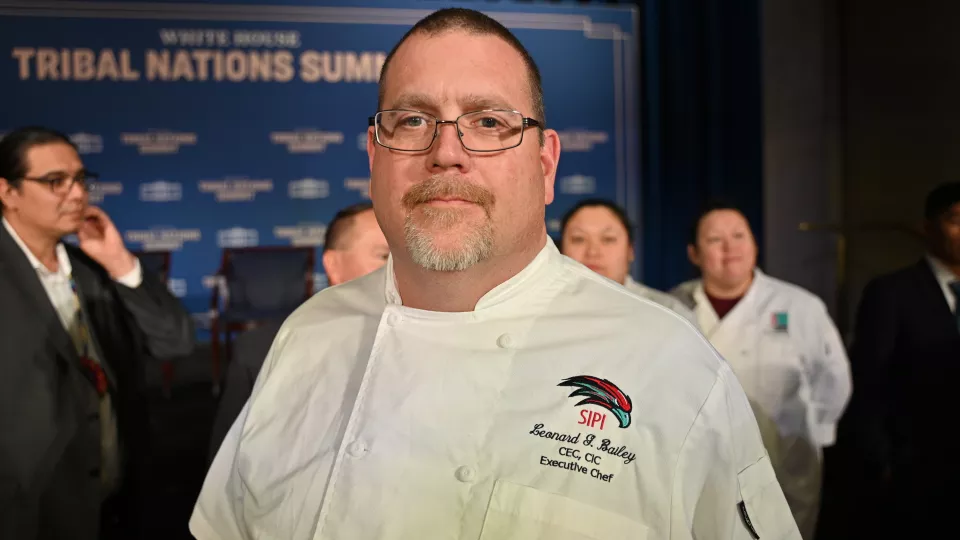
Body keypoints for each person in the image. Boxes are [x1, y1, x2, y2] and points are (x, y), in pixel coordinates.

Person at [191, 9, 799, 539]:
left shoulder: (670, 367)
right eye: (411, 121)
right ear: (374, 158)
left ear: (545, 163)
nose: (446, 151)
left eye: (488, 122)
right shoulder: (308, 335)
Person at [0, 126, 194, 540]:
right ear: (8, 192)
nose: (75, 194)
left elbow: (175, 340)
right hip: (27, 509)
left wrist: (121, 262)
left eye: (81, 180)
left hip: (113, 501)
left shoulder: (93, 267)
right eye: (55, 182)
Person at [671, 200, 851, 540]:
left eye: (739, 235)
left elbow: (833, 380)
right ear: (694, 253)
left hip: (785, 462)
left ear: (755, 244)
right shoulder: (673, 306)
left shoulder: (800, 307)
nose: (730, 248)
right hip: (700, 464)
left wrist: (816, 432)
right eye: (714, 240)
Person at [206, 202, 388, 462]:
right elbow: (227, 466)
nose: (401, 267)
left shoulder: (448, 346)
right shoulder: (261, 353)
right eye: (384, 256)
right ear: (334, 265)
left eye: (409, 254)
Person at [830, 182, 960, 537]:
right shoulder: (892, 292)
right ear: (928, 227)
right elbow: (868, 381)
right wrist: (881, 459)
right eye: (956, 220)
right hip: (917, 467)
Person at [559, 198, 698, 325]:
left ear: (630, 250)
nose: (593, 252)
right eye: (578, 239)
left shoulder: (670, 313)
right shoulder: (542, 308)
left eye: (608, 239)